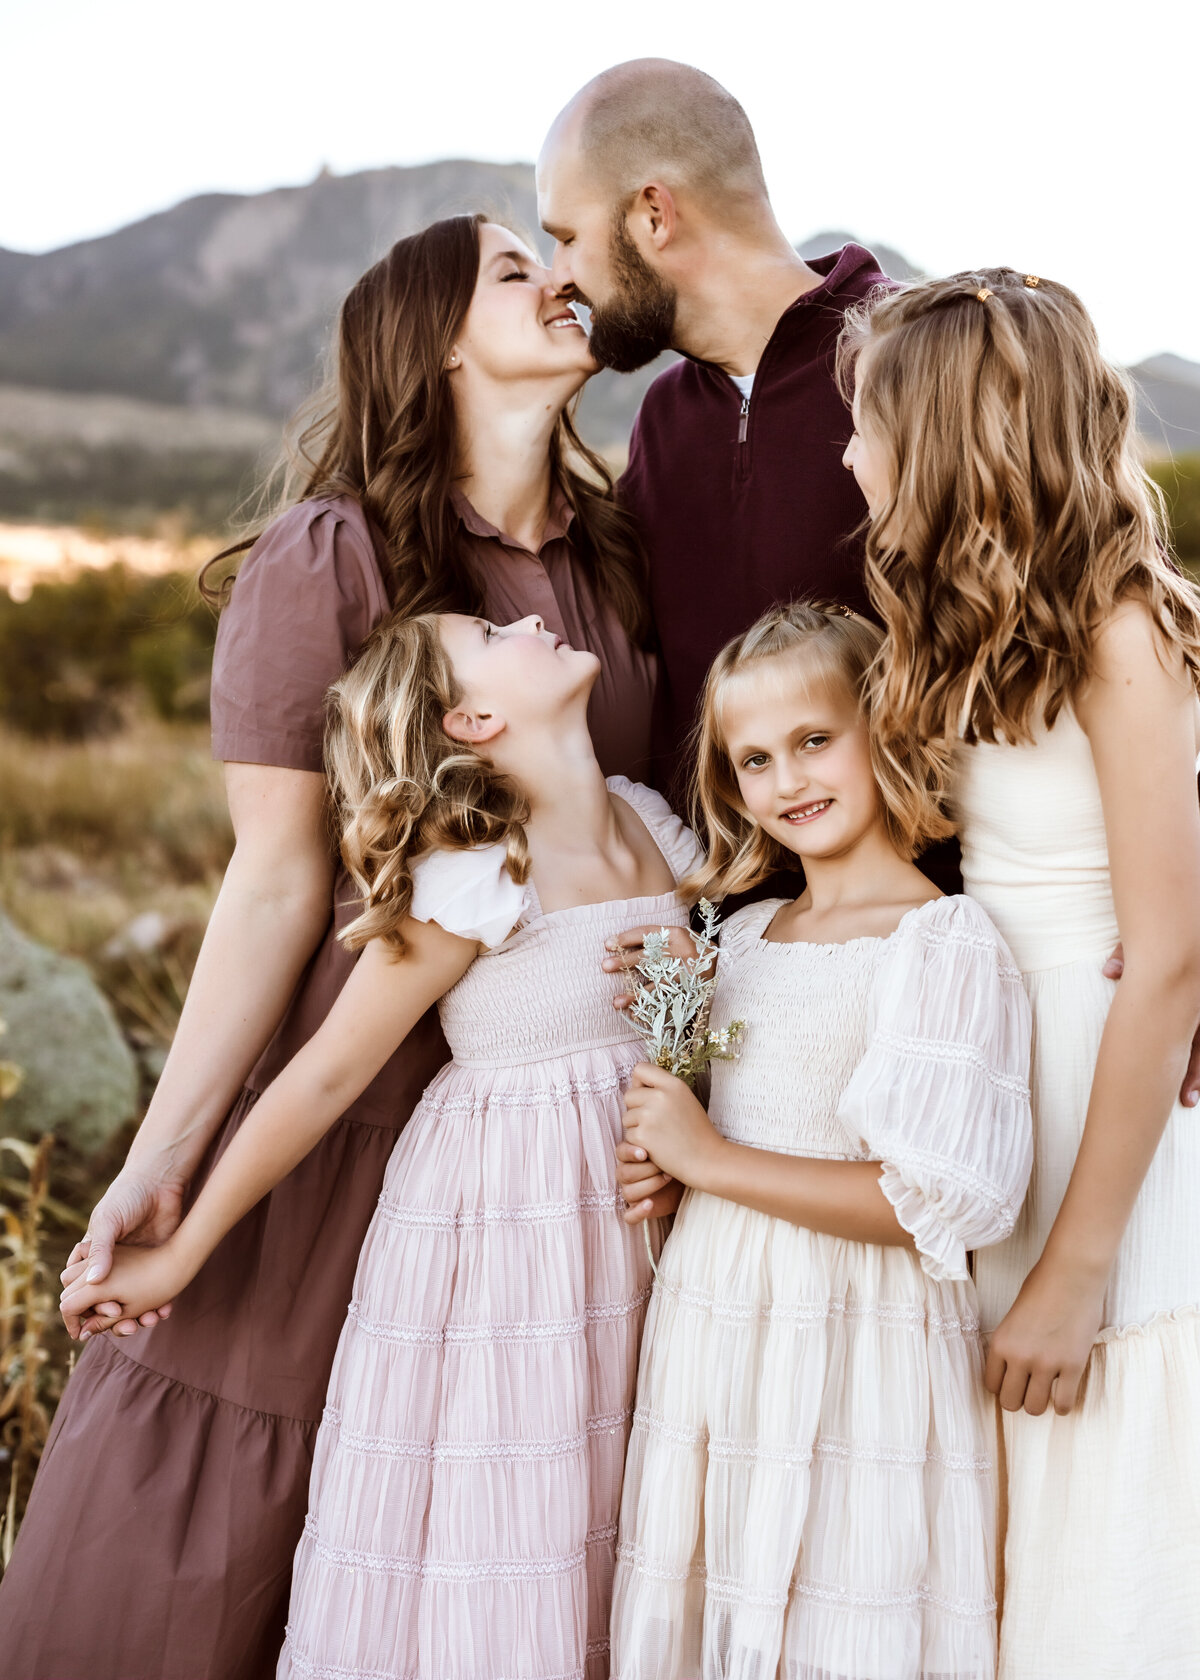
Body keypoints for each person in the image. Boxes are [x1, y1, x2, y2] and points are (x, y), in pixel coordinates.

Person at [0, 215, 655, 1680]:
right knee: (229, 1521)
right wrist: (166, 1157)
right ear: (429, 338)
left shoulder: (613, 562)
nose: (559, 275)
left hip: (546, 1153)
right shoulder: (337, 552)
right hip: (346, 1106)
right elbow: (275, 885)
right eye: (509, 268)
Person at [61, 609, 701, 1680]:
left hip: (627, 1227)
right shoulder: (484, 871)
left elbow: (720, 981)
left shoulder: (650, 824)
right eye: (500, 631)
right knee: (516, 1515)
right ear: (475, 717)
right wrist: (181, 1244)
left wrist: (692, 968)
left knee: (610, 1500)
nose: (536, 617)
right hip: (505, 1231)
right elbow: (323, 1074)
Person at [839, 268, 1200, 1676]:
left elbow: (1168, 960)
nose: (852, 456)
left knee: (1102, 1534)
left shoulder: (1121, 631)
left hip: (1111, 1134)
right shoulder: (976, 632)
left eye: (868, 426)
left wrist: (1076, 1272)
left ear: (946, 442)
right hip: (1008, 1097)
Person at [608, 604, 1033, 1680]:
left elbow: (929, 1204)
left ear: (886, 726)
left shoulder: (941, 939)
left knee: (839, 1609)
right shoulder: (740, 934)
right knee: (726, 1595)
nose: (787, 778)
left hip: (857, 1340)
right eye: (754, 758)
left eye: (813, 739)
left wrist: (710, 1159)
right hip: (718, 1332)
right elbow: (728, 1122)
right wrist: (672, 1140)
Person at [537, 58, 890, 792]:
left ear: (654, 215)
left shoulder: (916, 363)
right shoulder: (663, 421)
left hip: (930, 900)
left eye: (567, 236)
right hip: (713, 903)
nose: (557, 276)